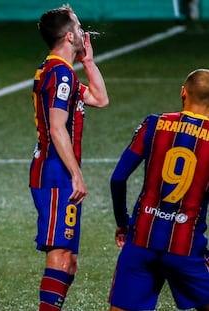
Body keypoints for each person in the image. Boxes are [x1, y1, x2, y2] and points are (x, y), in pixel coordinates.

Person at [29, 4, 109, 310]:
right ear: (69, 35)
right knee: (60, 256)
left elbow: (101, 99)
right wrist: (76, 174)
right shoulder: (60, 75)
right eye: (78, 26)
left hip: (60, 171)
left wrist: (88, 61)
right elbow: (57, 128)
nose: (83, 31)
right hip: (55, 173)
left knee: (69, 261)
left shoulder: (63, 73)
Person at [109, 69, 209, 311]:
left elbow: (118, 178)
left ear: (183, 93)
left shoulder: (154, 124)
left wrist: (123, 222)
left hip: (141, 238)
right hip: (185, 248)